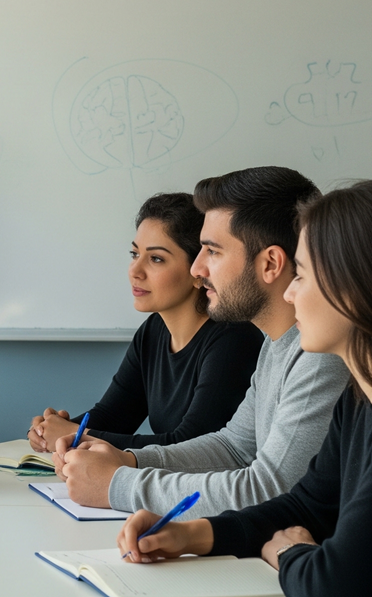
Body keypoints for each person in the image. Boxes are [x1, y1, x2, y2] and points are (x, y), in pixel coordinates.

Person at [117, 180, 372, 597]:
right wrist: (191, 535)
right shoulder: (357, 402)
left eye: (302, 275)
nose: (291, 291)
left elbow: (332, 580)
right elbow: (306, 505)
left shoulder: (326, 367)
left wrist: (287, 553)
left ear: (354, 289)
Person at [53, 167, 350, 516]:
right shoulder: (277, 344)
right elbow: (234, 448)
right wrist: (129, 460)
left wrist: (118, 485)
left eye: (212, 251)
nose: (197, 269)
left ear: (270, 264)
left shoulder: (320, 354)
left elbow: (271, 488)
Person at [29, 193, 263, 453]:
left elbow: (190, 446)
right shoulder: (153, 330)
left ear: (198, 271)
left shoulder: (234, 339)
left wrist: (77, 436)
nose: (134, 271)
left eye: (156, 259)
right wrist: (51, 430)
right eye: (135, 253)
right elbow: (114, 416)